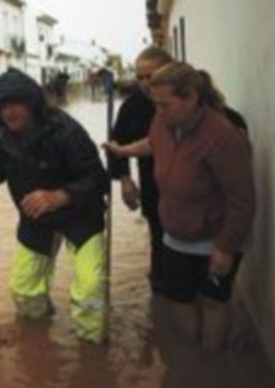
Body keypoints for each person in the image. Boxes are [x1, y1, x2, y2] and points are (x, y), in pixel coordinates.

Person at [105, 62, 255, 349]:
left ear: (191, 98)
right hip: (175, 234)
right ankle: (191, 358)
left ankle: (211, 361)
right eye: (155, 104)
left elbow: (242, 199)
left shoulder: (224, 137)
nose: (159, 111)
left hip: (215, 236)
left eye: (165, 105)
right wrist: (122, 151)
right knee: (178, 299)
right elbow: (152, 143)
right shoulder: (163, 122)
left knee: (213, 302)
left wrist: (225, 248)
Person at [0, 68, 110, 344]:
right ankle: (39, 343)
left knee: (90, 290)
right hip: (36, 218)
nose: (9, 112)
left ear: (32, 102)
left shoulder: (67, 131)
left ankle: (93, 350)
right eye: (2, 106)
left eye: (15, 103)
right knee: (24, 291)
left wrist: (59, 196)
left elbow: (98, 179)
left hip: (81, 214)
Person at [107, 46, 174, 295]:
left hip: (190, 186)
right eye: (140, 77)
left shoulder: (185, 100)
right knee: (158, 237)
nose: (145, 83)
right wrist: (125, 180)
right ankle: (161, 293)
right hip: (152, 183)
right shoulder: (132, 106)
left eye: (150, 76)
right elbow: (118, 144)